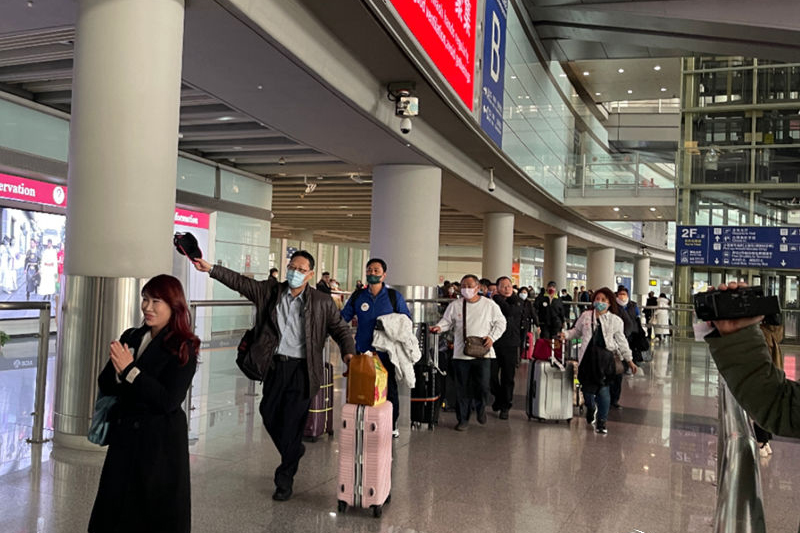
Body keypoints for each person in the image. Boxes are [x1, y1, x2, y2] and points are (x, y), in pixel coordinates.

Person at [193, 250, 355, 501]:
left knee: (292, 422)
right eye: (292, 267)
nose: (294, 272)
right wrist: (211, 269)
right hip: (275, 366)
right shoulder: (270, 292)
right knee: (268, 413)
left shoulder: (322, 302)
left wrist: (348, 354)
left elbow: (341, 330)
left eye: (301, 269)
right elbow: (240, 282)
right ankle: (294, 451)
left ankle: (284, 480)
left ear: (310, 274)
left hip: (303, 370)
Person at [88, 275, 200, 533]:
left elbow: (168, 400)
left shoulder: (184, 346)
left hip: (159, 443)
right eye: (145, 299)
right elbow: (106, 381)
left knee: (152, 512)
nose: (148, 307)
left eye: (156, 301)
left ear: (173, 305)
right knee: (114, 507)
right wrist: (120, 374)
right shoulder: (133, 335)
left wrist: (130, 371)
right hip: (125, 435)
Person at [704, 282, 798, 458]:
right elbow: (779, 405)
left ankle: (763, 442)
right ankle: (763, 442)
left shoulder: (768, 331)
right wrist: (737, 334)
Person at [341, 258, 411, 438]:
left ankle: (391, 424)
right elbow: (343, 318)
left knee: (389, 389)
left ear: (384, 275)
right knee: (361, 388)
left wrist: (388, 325)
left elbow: (406, 321)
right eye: (369, 270)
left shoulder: (394, 297)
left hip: (387, 353)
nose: (372, 273)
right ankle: (366, 423)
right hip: (363, 352)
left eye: (376, 270)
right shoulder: (358, 296)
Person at [430, 275, 506, 431]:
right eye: (463, 286)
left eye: (469, 286)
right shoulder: (456, 305)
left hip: (483, 353)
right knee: (462, 388)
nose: (466, 289)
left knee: (483, 386)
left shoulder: (489, 305)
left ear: (478, 288)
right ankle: (463, 419)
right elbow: (447, 322)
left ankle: (480, 407)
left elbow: (501, 323)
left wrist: (492, 337)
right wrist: (439, 327)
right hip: (461, 353)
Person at [562, 287, 636, 434]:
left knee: (603, 391)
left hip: (605, 361)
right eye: (597, 299)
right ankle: (591, 408)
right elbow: (576, 331)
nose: (600, 302)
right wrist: (566, 334)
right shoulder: (586, 316)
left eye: (603, 300)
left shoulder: (615, 321)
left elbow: (621, 341)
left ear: (609, 303)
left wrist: (629, 360)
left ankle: (602, 422)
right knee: (587, 392)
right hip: (587, 360)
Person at [490, 277, 523, 420]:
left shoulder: (517, 301)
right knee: (490, 375)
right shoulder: (491, 302)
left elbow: (509, 311)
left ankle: (505, 406)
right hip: (493, 342)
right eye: (503, 286)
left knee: (508, 377)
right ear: (497, 288)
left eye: (509, 286)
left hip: (510, 343)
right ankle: (499, 397)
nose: (507, 288)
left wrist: (497, 298)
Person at [611, 285, 641, 409]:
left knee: (618, 372)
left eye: (624, 294)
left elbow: (636, 320)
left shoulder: (632, 305)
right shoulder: (613, 307)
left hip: (628, 338)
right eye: (620, 294)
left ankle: (614, 399)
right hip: (614, 342)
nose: (622, 296)